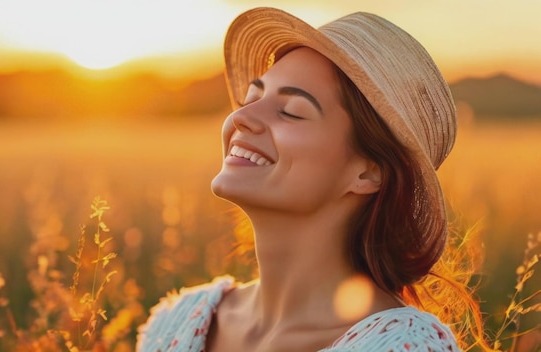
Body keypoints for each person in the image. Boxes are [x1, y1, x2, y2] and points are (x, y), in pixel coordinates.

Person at [136, 7, 488, 351]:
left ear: (368, 171)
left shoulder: (400, 346)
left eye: (291, 111)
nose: (242, 116)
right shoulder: (175, 323)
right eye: (251, 97)